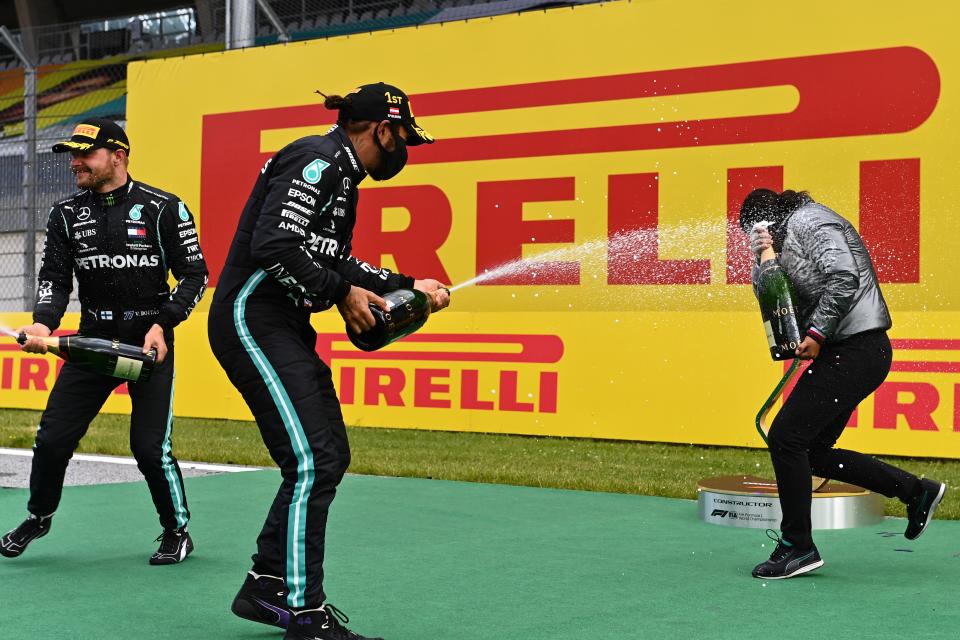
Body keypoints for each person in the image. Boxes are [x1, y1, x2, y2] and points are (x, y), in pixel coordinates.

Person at [208, 83, 450, 640]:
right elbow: (274, 244)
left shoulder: (343, 179)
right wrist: (340, 294)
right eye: (404, 138)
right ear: (382, 130)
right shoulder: (315, 160)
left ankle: (266, 587)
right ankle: (303, 612)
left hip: (284, 326)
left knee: (328, 455)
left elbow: (331, 257)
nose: (404, 151)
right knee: (313, 459)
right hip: (251, 318)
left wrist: (407, 286)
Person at [0, 118, 209, 565]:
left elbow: (196, 275)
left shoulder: (164, 208)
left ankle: (176, 530)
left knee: (150, 447)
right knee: (53, 438)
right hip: (93, 341)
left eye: (85, 154)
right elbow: (54, 280)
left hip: (149, 344)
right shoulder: (65, 214)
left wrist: (164, 323)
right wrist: (43, 324)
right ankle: (39, 516)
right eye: (73, 154)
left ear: (118, 155)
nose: (75, 162)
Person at [740, 188, 946, 580]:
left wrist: (817, 332)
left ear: (769, 219)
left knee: (786, 437)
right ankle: (915, 492)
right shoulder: (784, 241)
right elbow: (777, 308)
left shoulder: (810, 220)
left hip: (859, 348)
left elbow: (844, 276)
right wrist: (763, 258)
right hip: (844, 350)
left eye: (756, 233)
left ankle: (797, 546)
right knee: (811, 450)